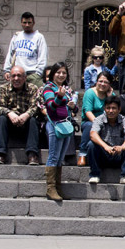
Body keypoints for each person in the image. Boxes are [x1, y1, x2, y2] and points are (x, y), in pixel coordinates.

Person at [41, 61, 77, 201]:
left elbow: (71, 109)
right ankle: (50, 188)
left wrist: (73, 107)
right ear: (53, 74)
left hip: (65, 124)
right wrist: (60, 96)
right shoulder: (48, 88)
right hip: (54, 124)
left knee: (61, 158)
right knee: (53, 156)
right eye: (58, 72)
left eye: (64, 72)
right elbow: (51, 106)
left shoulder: (65, 89)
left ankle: (57, 186)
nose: (61, 75)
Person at [0, 66, 40, 165]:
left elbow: (36, 106)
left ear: (25, 77)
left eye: (19, 76)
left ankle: (32, 155)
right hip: (10, 123)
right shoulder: (3, 89)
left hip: (26, 123)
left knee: (33, 120)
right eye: (13, 76)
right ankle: (1, 154)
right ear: (9, 77)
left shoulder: (33, 88)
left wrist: (26, 115)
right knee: (1, 119)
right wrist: (9, 113)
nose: (16, 79)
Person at [87, 94, 125, 185]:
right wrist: (106, 147)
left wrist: (123, 147)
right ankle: (94, 174)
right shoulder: (99, 119)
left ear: (119, 109)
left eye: (114, 108)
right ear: (105, 109)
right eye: (108, 108)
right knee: (91, 144)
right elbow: (93, 134)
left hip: (119, 155)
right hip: (104, 155)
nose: (111, 111)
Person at [2, 12, 47, 88]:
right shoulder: (17, 36)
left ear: (33, 23)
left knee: (35, 98)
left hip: (33, 74)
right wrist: (7, 70)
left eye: (29, 22)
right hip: (18, 75)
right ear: (21, 23)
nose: (27, 25)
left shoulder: (39, 37)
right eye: (24, 22)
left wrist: (38, 74)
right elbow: (10, 54)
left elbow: (42, 56)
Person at [78, 70, 113, 165]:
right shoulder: (90, 93)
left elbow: (114, 112)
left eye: (106, 82)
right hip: (90, 121)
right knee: (90, 126)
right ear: (96, 81)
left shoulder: (111, 95)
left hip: (106, 123)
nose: (102, 84)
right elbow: (88, 111)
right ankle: (82, 154)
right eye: (100, 81)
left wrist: (110, 98)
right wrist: (97, 123)